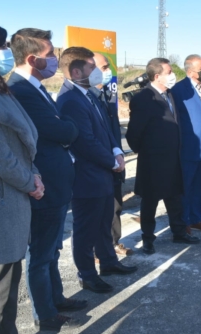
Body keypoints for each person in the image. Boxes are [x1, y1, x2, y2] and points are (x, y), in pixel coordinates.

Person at [8, 28, 85, 332]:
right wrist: (64, 127)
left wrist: (62, 126)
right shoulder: (21, 90)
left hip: (56, 182)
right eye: (50, 54)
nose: (55, 59)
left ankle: (56, 299)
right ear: (31, 58)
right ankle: (45, 314)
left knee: (52, 249)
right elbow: (62, 131)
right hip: (44, 186)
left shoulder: (35, 87)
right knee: (40, 253)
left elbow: (61, 127)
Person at [57, 47, 137, 293]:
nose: (99, 72)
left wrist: (116, 151)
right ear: (76, 70)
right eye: (93, 67)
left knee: (104, 223)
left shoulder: (89, 94)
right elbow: (84, 142)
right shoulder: (70, 100)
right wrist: (112, 161)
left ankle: (109, 263)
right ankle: (88, 275)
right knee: (85, 229)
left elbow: (105, 130)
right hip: (87, 176)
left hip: (103, 171)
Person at [0, 23, 46, 334]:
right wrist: (29, 181)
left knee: (11, 277)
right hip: (1, 197)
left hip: (13, 194)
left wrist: (34, 174)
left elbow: (22, 141)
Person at [126, 57, 200, 254]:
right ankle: (148, 239)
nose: (172, 76)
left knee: (175, 198)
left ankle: (179, 232)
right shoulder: (143, 99)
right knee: (150, 203)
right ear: (157, 76)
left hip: (173, 160)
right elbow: (134, 134)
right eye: (169, 72)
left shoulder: (171, 94)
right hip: (153, 163)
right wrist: (149, 152)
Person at [90, 53, 133, 257]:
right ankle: (97, 249)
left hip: (115, 160)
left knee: (116, 206)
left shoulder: (107, 94)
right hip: (99, 164)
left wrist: (118, 152)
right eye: (104, 67)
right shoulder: (84, 98)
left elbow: (113, 128)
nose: (108, 72)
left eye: (108, 68)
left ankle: (114, 243)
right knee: (96, 211)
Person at [171, 54, 201, 234]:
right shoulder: (178, 90)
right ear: (191, 72)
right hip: (189, 148)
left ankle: (196, 218)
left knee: (200, 186)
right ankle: (183, 223)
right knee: (186, 188)